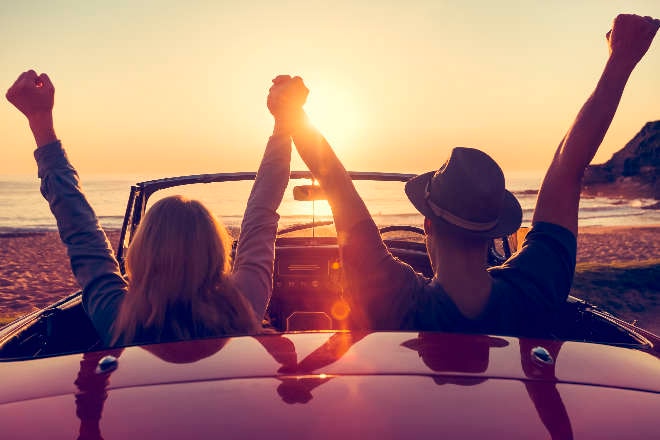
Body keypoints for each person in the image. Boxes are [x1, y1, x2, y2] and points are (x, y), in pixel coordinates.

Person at [273, 14, 660, 335]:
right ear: (495, 233)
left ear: (427, 225)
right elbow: (567, 168)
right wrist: (620, 61)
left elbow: (335, 185)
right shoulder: (535, 287)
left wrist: (293, 115)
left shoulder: (392, 299)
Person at [6, 73, 295, 346]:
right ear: (216, 253)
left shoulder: (119, 320)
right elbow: (261, 212)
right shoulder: (245, 305)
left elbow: (78, 225)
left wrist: (40, 121)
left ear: (143, 252)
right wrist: (284, 121)